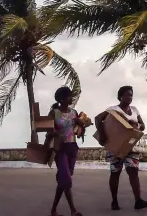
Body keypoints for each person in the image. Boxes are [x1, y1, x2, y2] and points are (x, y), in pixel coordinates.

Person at [94, 86, 147, 211]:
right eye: (127, 95)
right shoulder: (113, 110)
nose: (129, 97)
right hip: (115, 147)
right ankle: (114, 201)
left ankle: (138, 201)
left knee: (133, 172)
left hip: (132, 147)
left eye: (131, 95)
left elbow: (143, 125)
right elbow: (98, 119)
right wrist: (102, 135)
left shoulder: (135, 110)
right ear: (120, 96)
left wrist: (136, 125)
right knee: (115, 173)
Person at [48, 86, 84, 216]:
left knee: (63, 180)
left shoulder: (74, 112)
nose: (71, 98)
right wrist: (56, 134)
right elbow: (48, 131)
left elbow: (79, 133)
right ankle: (73, 210)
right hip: (60, 149)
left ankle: (53, 210)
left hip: (72, 148)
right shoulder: (54, 112)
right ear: (62, 98)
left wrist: (82, 123)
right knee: (67, 180)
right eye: (69, 96)